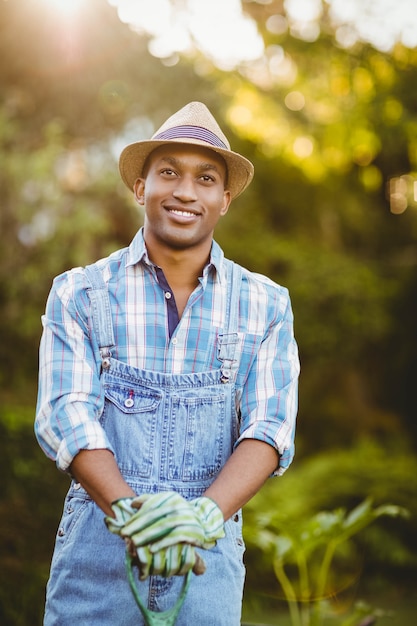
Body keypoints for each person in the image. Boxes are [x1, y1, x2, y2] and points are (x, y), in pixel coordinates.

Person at [35, 101, 300, 625]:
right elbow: (65, 414)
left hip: (208, 563)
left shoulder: (266, 304)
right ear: (140, 187)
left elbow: (269, 428)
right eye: (169, 173)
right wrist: (131, 515)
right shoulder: (79, 294)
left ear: (224, 200)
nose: (185, 191)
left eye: (205, 178)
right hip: (97, 563)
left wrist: (203, 516)